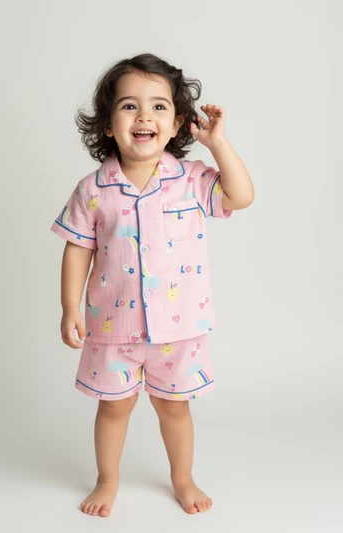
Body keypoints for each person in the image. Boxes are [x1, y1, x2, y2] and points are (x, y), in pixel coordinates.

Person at [50, 53, 254, 517]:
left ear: (178, 123)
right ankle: (107, 480)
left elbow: (241, 196)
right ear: (107, 124)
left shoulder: (193, 180)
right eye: (129, 106)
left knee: (174, 409)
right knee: (113, 409)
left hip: (178, 330)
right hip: (112, 328)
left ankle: (183, 479)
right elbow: (77, 248)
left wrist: (217, 144)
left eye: (159, 106)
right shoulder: (91, 189)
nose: (144, 116)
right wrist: (69, 307)